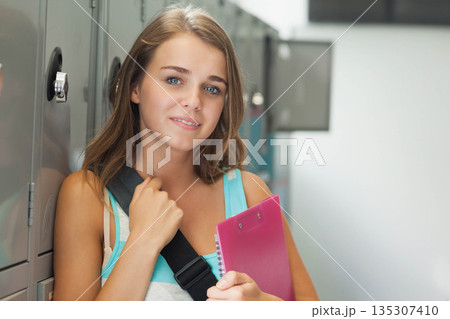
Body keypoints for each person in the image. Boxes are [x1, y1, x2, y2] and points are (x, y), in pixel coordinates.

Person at [53, 5, 318, 301]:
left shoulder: (249, 195)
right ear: (135, 87)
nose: (193, 101)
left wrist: (262, 304)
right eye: (174, 80)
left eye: (212, 89)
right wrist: (142, 240)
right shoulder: (86, 196)